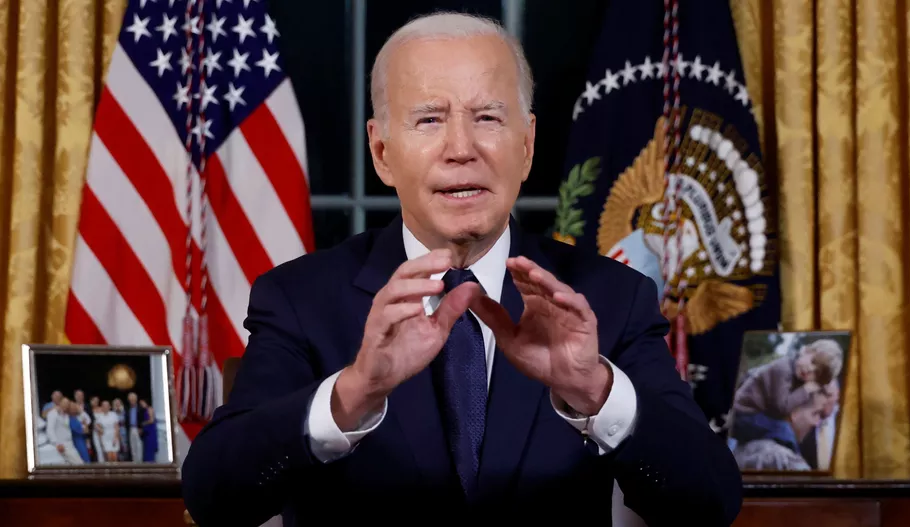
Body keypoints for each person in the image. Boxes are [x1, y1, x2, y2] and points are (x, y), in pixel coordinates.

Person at [182, 12, 741, 527]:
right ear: (382, 152)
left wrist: (594, 390)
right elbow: (215, 499)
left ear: (527, 146)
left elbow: (711, 502)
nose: (461, 148)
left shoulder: (611, 296)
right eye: (429, 119)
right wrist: (352, 394)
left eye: (488, 118)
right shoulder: (300, 299)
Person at [126, 392, 143, 462]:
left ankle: (139, 462)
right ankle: (134, 461)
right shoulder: (128, 408)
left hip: (138, 428)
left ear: (136, 399)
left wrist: (141, 428)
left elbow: (143, 419)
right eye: (130, 400)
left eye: (133, 399)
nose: (132, 401)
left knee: (139, 446)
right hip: (131, 429)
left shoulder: (140, 408)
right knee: (132, 446)